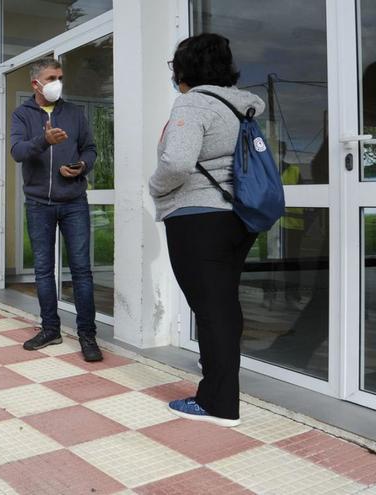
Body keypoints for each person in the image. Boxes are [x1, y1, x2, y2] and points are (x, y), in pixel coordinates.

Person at [150, 33, 264, 427]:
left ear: (185, 69)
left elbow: (177, 164)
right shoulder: (240, 107)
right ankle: (221, 389)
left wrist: (153, 187)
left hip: (197, 217)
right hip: (236, 217)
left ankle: (217, 403)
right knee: (223, 306)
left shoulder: (193, 103)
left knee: (210, 309)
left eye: (174, 66)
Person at [9, 57, 103, 362]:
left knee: (81, 271)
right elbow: (17, 151)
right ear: (35, 83)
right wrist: (43, 140)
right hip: (38, 204)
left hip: (74, 201)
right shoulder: (22, 114)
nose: (57, 83)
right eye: (51, 78)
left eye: (60, 77)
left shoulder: (73, 113)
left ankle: (87, 335)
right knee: (43, 270)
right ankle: (50, 328)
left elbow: (90, 148)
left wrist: (82, 166)